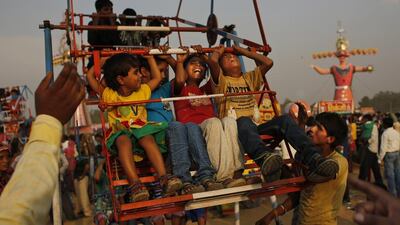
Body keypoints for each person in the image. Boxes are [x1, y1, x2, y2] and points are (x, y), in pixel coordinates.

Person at [86, 53, 182, 202]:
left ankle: (163, 177)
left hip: (140, 132)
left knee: (147, 137)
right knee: (123, 139)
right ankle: (135, 183)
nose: (139, 76)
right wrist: (99, 64)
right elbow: (90, 78)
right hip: (121, 134)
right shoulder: (109, 95)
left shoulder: (142, 91)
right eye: (135, 73)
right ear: (121, 79)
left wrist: (150, 58)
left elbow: (156, 78)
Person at [0, 63, 86, 224]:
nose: (5, 161)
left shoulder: (10, 175)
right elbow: (18, 213)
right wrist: (48, 121)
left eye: (6, 157)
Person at [255, 112, 348, 225]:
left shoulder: (339, 162)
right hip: (300, 221)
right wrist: (270, 216)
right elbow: (299, 195)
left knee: (284, 123)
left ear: (330, 139)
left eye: (319, 128)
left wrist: (297, 133)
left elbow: (310, 178)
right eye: (313, 125)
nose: (312, 129)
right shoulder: (306, 159)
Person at [173, 52, 245, 188]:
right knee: (214, 122)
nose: (198, 66)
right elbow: (180, 80)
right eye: (193, 63)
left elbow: (216, 72)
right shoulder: (179, 87)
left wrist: (205, 57)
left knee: (229, 121)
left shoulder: (206, 89)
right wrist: (180, 62)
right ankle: (223, 177)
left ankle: (237, 171)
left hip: (212, 128)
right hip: (194, 130)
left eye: (201, 65)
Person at [87, 0, 121, 68]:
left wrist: (112, 24)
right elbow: (92, 41)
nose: (109, 12)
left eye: (111, 9)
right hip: (97, 56)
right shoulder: (92, 23)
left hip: (113, 56)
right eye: (106, 9)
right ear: (98, 11)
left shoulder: (116, 24)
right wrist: (95, 24)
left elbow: (118, 42)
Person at [358, 114, 385, 187]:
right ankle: (379, 182)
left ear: (366, 119)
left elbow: (373, 138)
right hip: (372, 149)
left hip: (371, 148)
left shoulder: (373, 126)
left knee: (365, 166)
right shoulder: (370, 126)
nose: (362, 120)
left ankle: (361, 182)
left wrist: (367, 141)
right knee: (375, 167)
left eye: (363, 119)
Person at [378, 116, 400, 197]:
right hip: (397, 153)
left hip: (389, 154)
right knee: (397, 173)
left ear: (385, 124)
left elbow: (383, 147)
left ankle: (392, 194)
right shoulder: (396, 132)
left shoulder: (385, 133)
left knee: (390, 175)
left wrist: (380, 159)